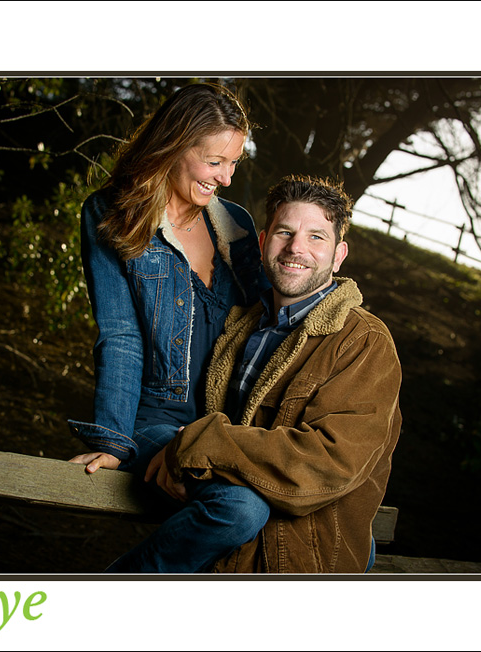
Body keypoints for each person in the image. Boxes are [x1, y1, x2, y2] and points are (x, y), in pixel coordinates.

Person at [109, 174, 403, 573]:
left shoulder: (363, 341)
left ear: (338, 256)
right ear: (263, 243)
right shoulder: (244, 327)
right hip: (231, 557)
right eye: (285, 232)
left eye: (317, 237)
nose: (296, 247)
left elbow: (326, 463)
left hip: (300, 567)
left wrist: (199, 443)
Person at [67, 83, 272, 566]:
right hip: (158, 422)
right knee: (240, 509)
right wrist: (113, 441)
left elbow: (268, 327)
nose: (225, 178)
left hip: (227, 427)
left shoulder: (236, 227)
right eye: (213, 161)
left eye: (234, 163)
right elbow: (120, 334)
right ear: (175, 144)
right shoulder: (112, 213)